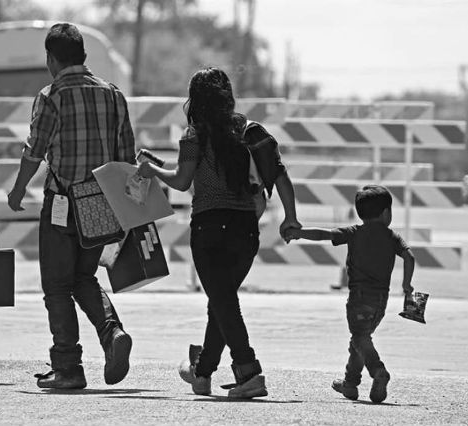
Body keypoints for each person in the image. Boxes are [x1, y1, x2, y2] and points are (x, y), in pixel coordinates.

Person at [138, 67, 300, 398]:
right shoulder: (250, 132)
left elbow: (182, 181)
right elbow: (280, 177)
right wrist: (290, 219)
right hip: (245, 230)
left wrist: (151, 169)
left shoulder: (194, 134)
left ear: (195, 100)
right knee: (221, 301)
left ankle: (248, 371)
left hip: (210, 227)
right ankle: (203, 372)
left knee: (223, 300)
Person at [7, 23, 135, 389]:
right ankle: (113, 334)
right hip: (102, 204)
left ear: (50, 58)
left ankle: (68, 366)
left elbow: (35, 151)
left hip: (63, 203)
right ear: (83, 56)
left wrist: (17, 191)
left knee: (57, 286)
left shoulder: (51, 96)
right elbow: (125, 157)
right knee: (83, 277)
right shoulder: (113, 95)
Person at [286, 184, 416, 404]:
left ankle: (378, 371)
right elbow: (410, 257)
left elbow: (324, 234)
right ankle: (350, 384)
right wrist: (406, 286)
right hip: (381, 302)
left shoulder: (354, 233)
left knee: (359, 337)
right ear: (386, 213)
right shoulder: (392, 237)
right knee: (359, 340)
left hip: (358, 299)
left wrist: (298, 233)